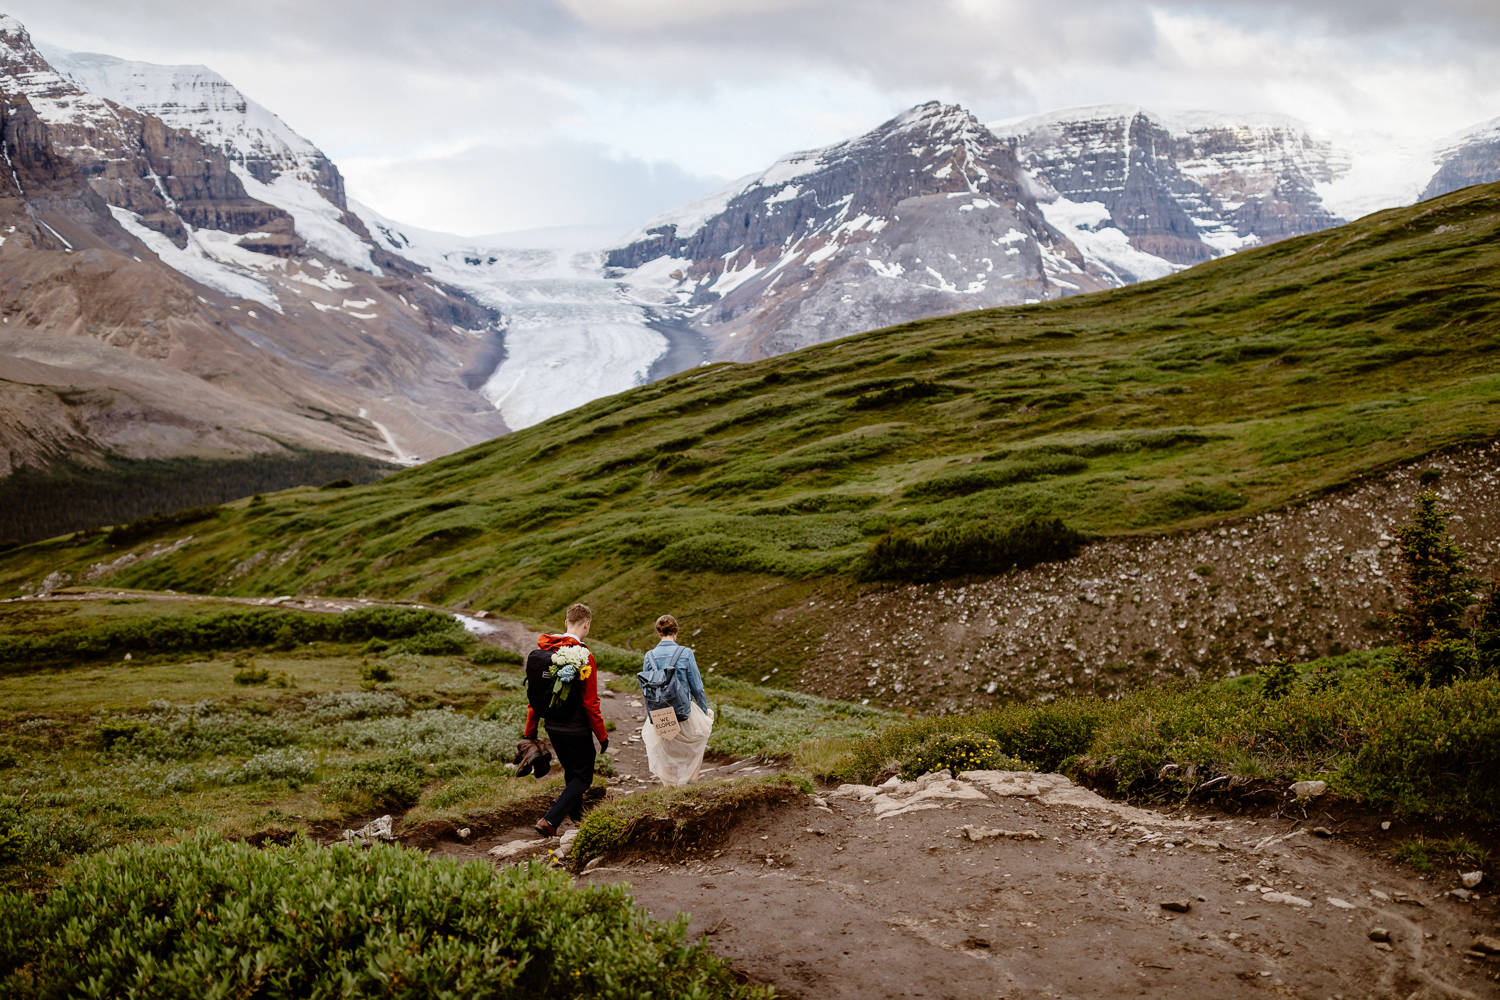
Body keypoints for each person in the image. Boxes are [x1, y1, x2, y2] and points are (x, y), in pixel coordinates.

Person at [524, 603, 608, 837]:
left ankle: (579, 817)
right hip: (576, 729)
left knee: (572, 772)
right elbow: (591, 702)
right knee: (583, 777)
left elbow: (534, 698)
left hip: (552, 726)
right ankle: (550, 820)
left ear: (565, 623)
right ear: (587, 624)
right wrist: (602, 735)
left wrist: (529, 731)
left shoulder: (546, 651)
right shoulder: (584, 655)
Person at [639, 614, 713, 786]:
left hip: (660, 712)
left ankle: (670, 785)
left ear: (658, 633)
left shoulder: (649, 656)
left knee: (666, 748)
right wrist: (703, 712)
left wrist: (650, 713)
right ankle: (691, 780)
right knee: (700, 738)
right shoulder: (685, 653)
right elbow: (697, 687)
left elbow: (646, 689)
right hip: (683, 709)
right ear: (676, 632)